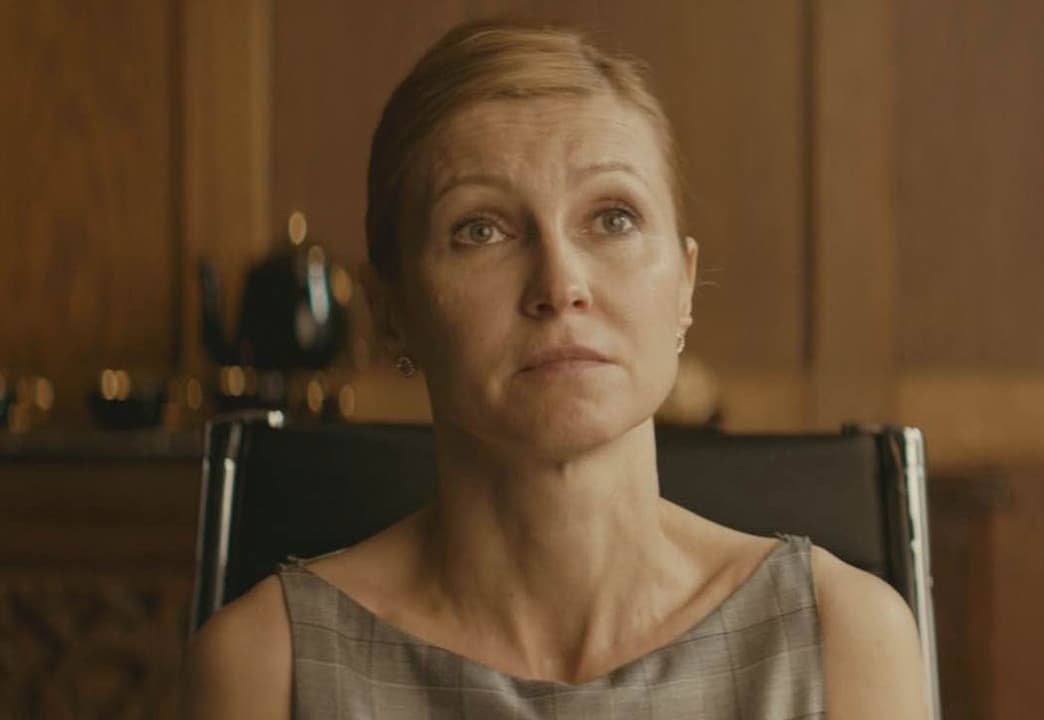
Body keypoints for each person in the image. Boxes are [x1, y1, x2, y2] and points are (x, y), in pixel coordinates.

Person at [183, 19, 928, 719]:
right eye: (480, 229)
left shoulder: (845, 638)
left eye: (613, 219)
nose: (560, 284)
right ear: (391, 311)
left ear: (683, 287)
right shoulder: (266, 664)